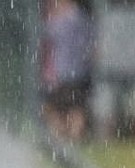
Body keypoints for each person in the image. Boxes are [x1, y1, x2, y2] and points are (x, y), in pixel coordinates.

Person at [40, 0, 94, 142]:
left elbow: (47, 32)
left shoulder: (69, 18)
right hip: (73, 72)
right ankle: (69, 140)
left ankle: (66, 139)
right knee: (70, 108)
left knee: (66, 108)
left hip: (66, 72)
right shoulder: (80, 18)